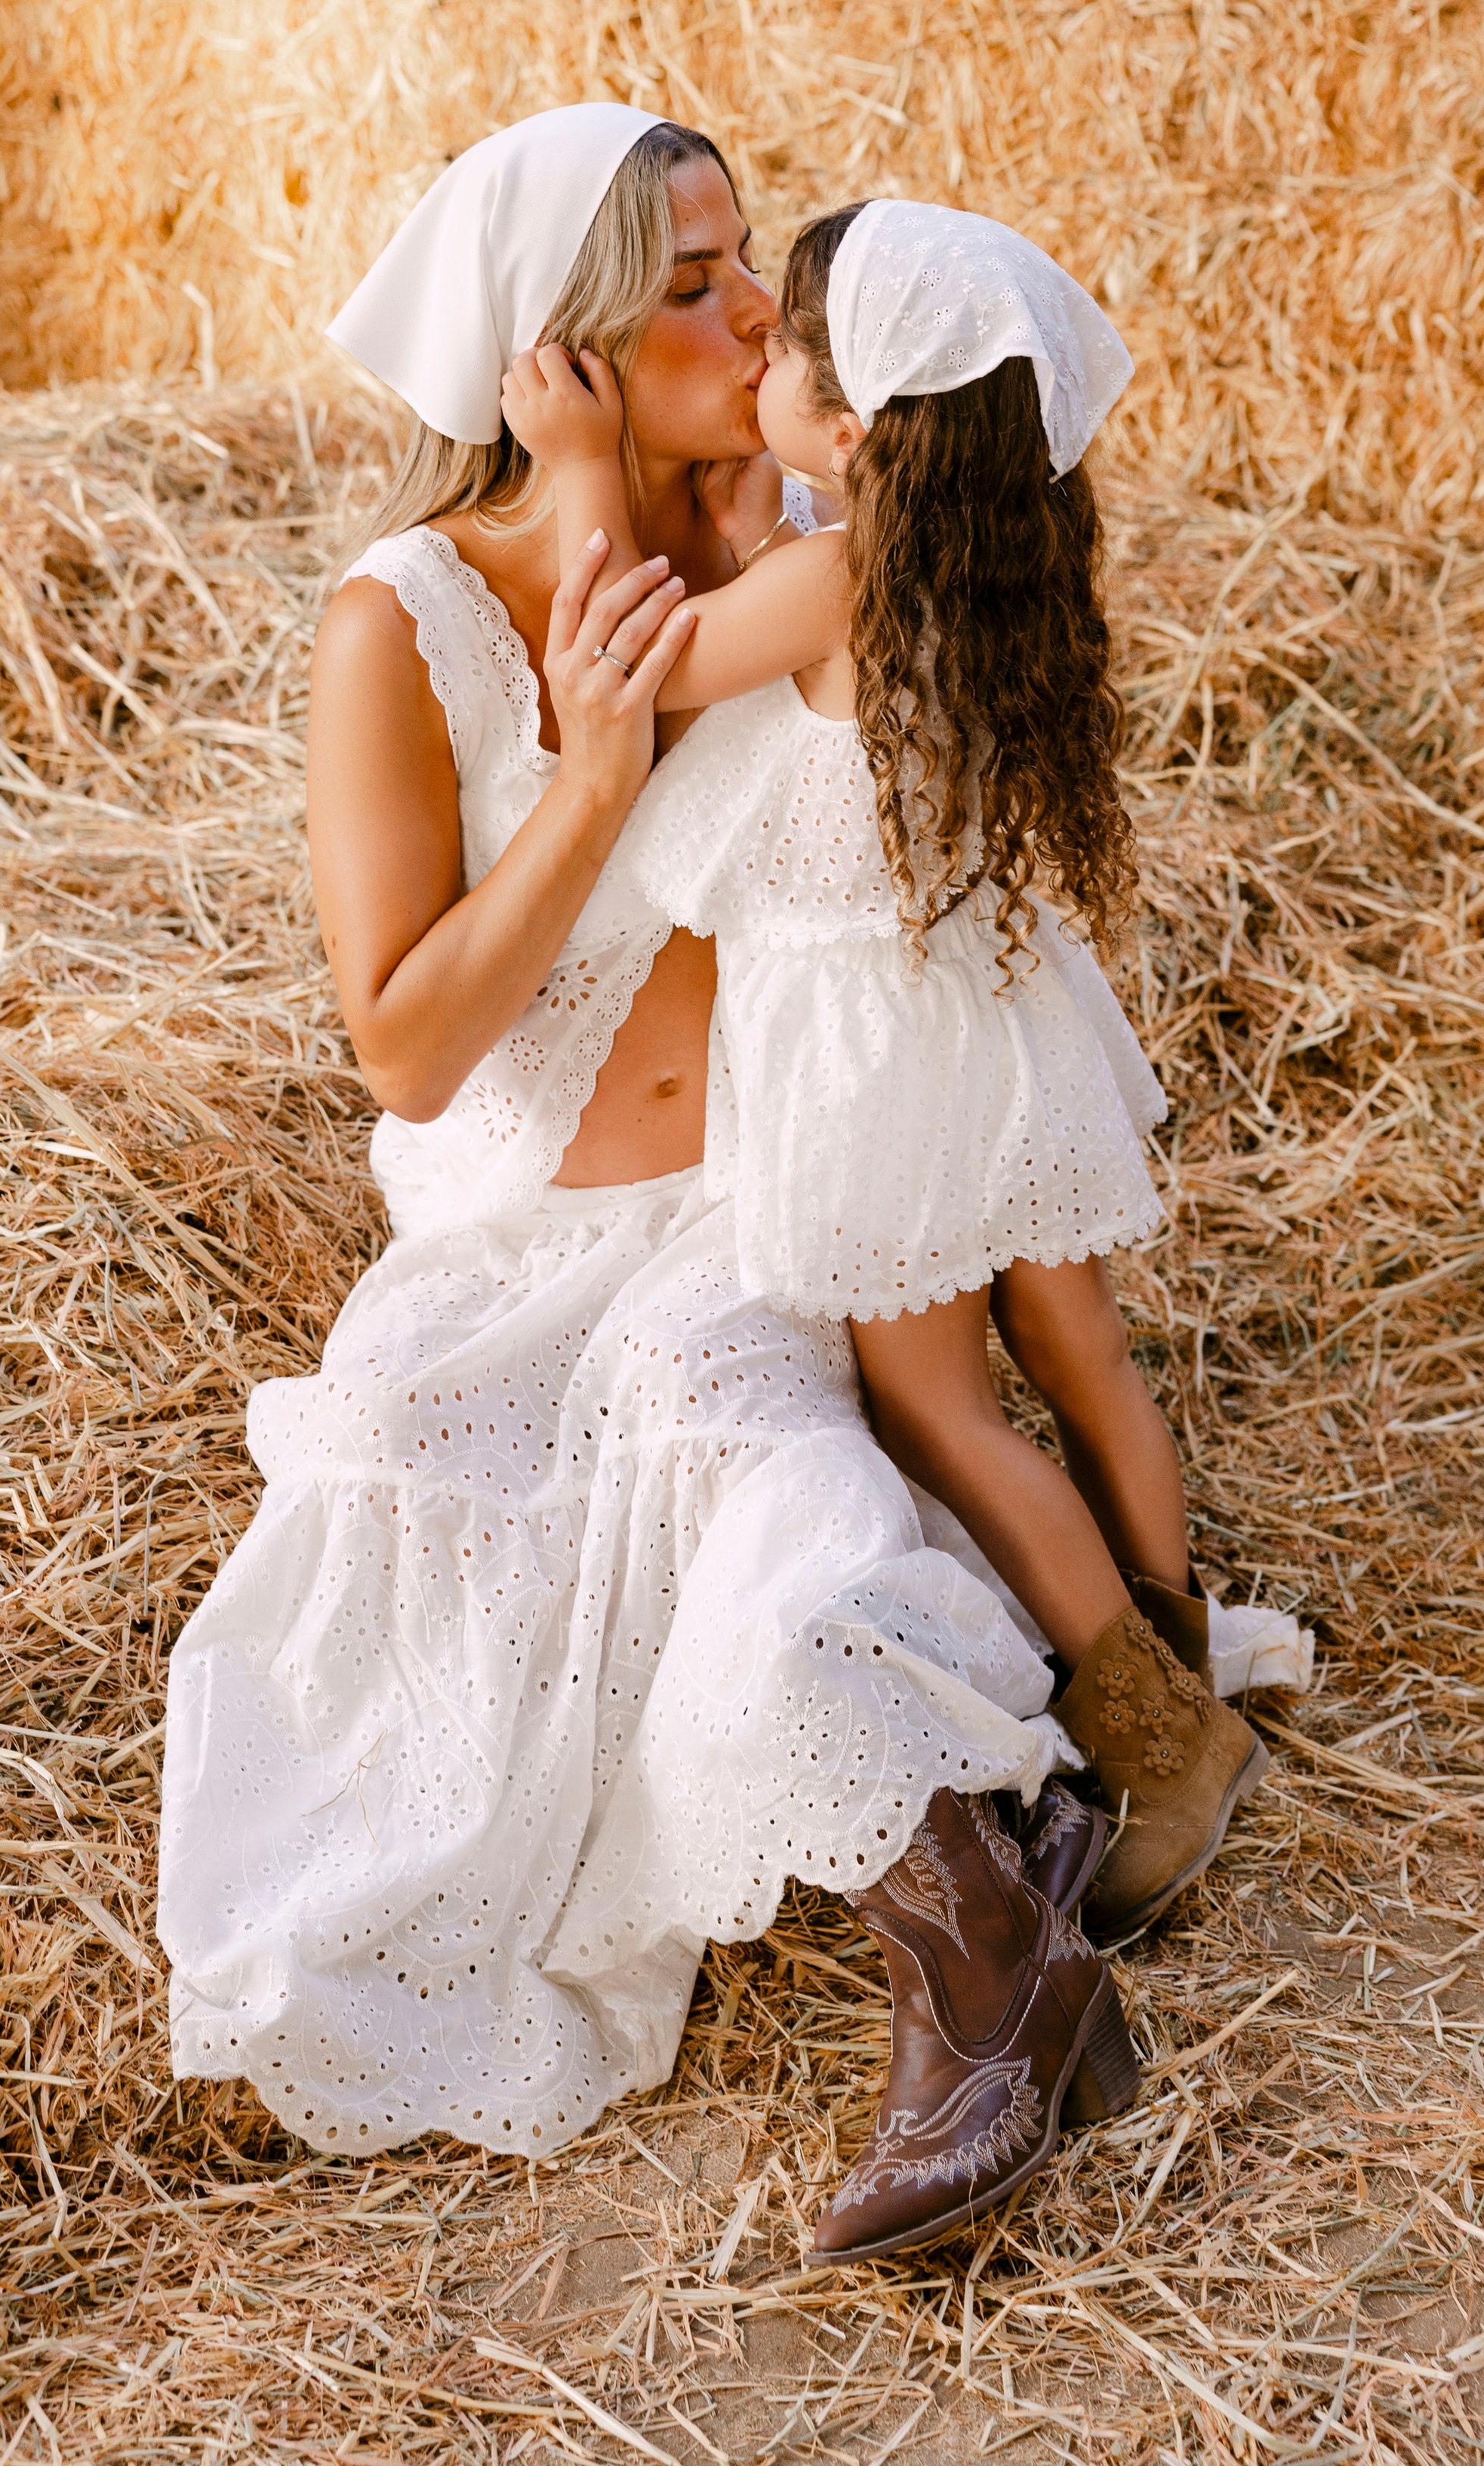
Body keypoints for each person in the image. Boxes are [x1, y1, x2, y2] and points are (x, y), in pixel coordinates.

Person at [157, 108, 1139, 2268]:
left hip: (755, 1206)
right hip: (514, 1227)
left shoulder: (797, 540)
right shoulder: (399, 622)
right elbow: (407, 1046)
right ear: (563, 355)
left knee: (741, 1455)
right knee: (412, 1594)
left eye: (746, 263)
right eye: (694, 284)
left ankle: (984, 1971)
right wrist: (592, 775)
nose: (761, 314)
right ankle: (1017, 1903)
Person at [503, 197, 1306, 1952]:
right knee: (1076, 1351)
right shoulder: (966, 559)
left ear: (858, 429)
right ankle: (1174, 1643)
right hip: (992, 1016)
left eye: (789, 347)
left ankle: (1163, 1748)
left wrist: (575, 468)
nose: (756, 355)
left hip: (871, 1063)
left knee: (938, 1406)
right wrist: (750, 527)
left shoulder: (830, 578)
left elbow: (613, 684)